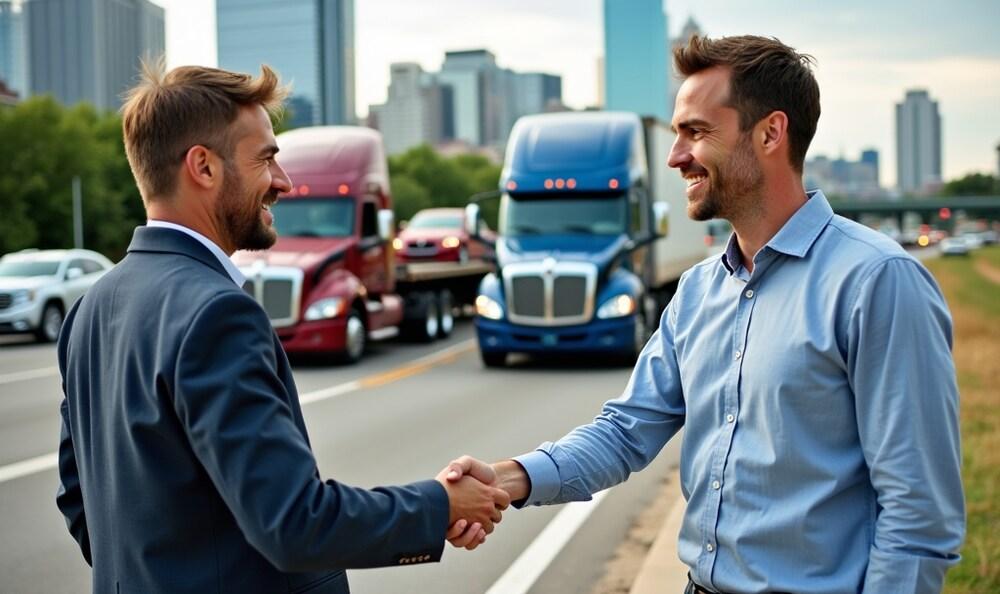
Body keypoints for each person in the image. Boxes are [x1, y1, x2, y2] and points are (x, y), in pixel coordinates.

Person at [447, 35, 965, 593]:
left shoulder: (877, 281)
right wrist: (506, 478)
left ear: (770, 132)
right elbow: (625, 432)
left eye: (696, 132)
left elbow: (917, 514)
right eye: (676, 134)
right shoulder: (697, 291)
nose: (675, 157)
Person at [55, 62, 509, 594]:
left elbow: (80, 501)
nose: (284, 182)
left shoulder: (91, 309)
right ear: (202, 167)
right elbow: (294, 523)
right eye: (266, 158)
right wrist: (440, 505)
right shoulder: (215, 314)